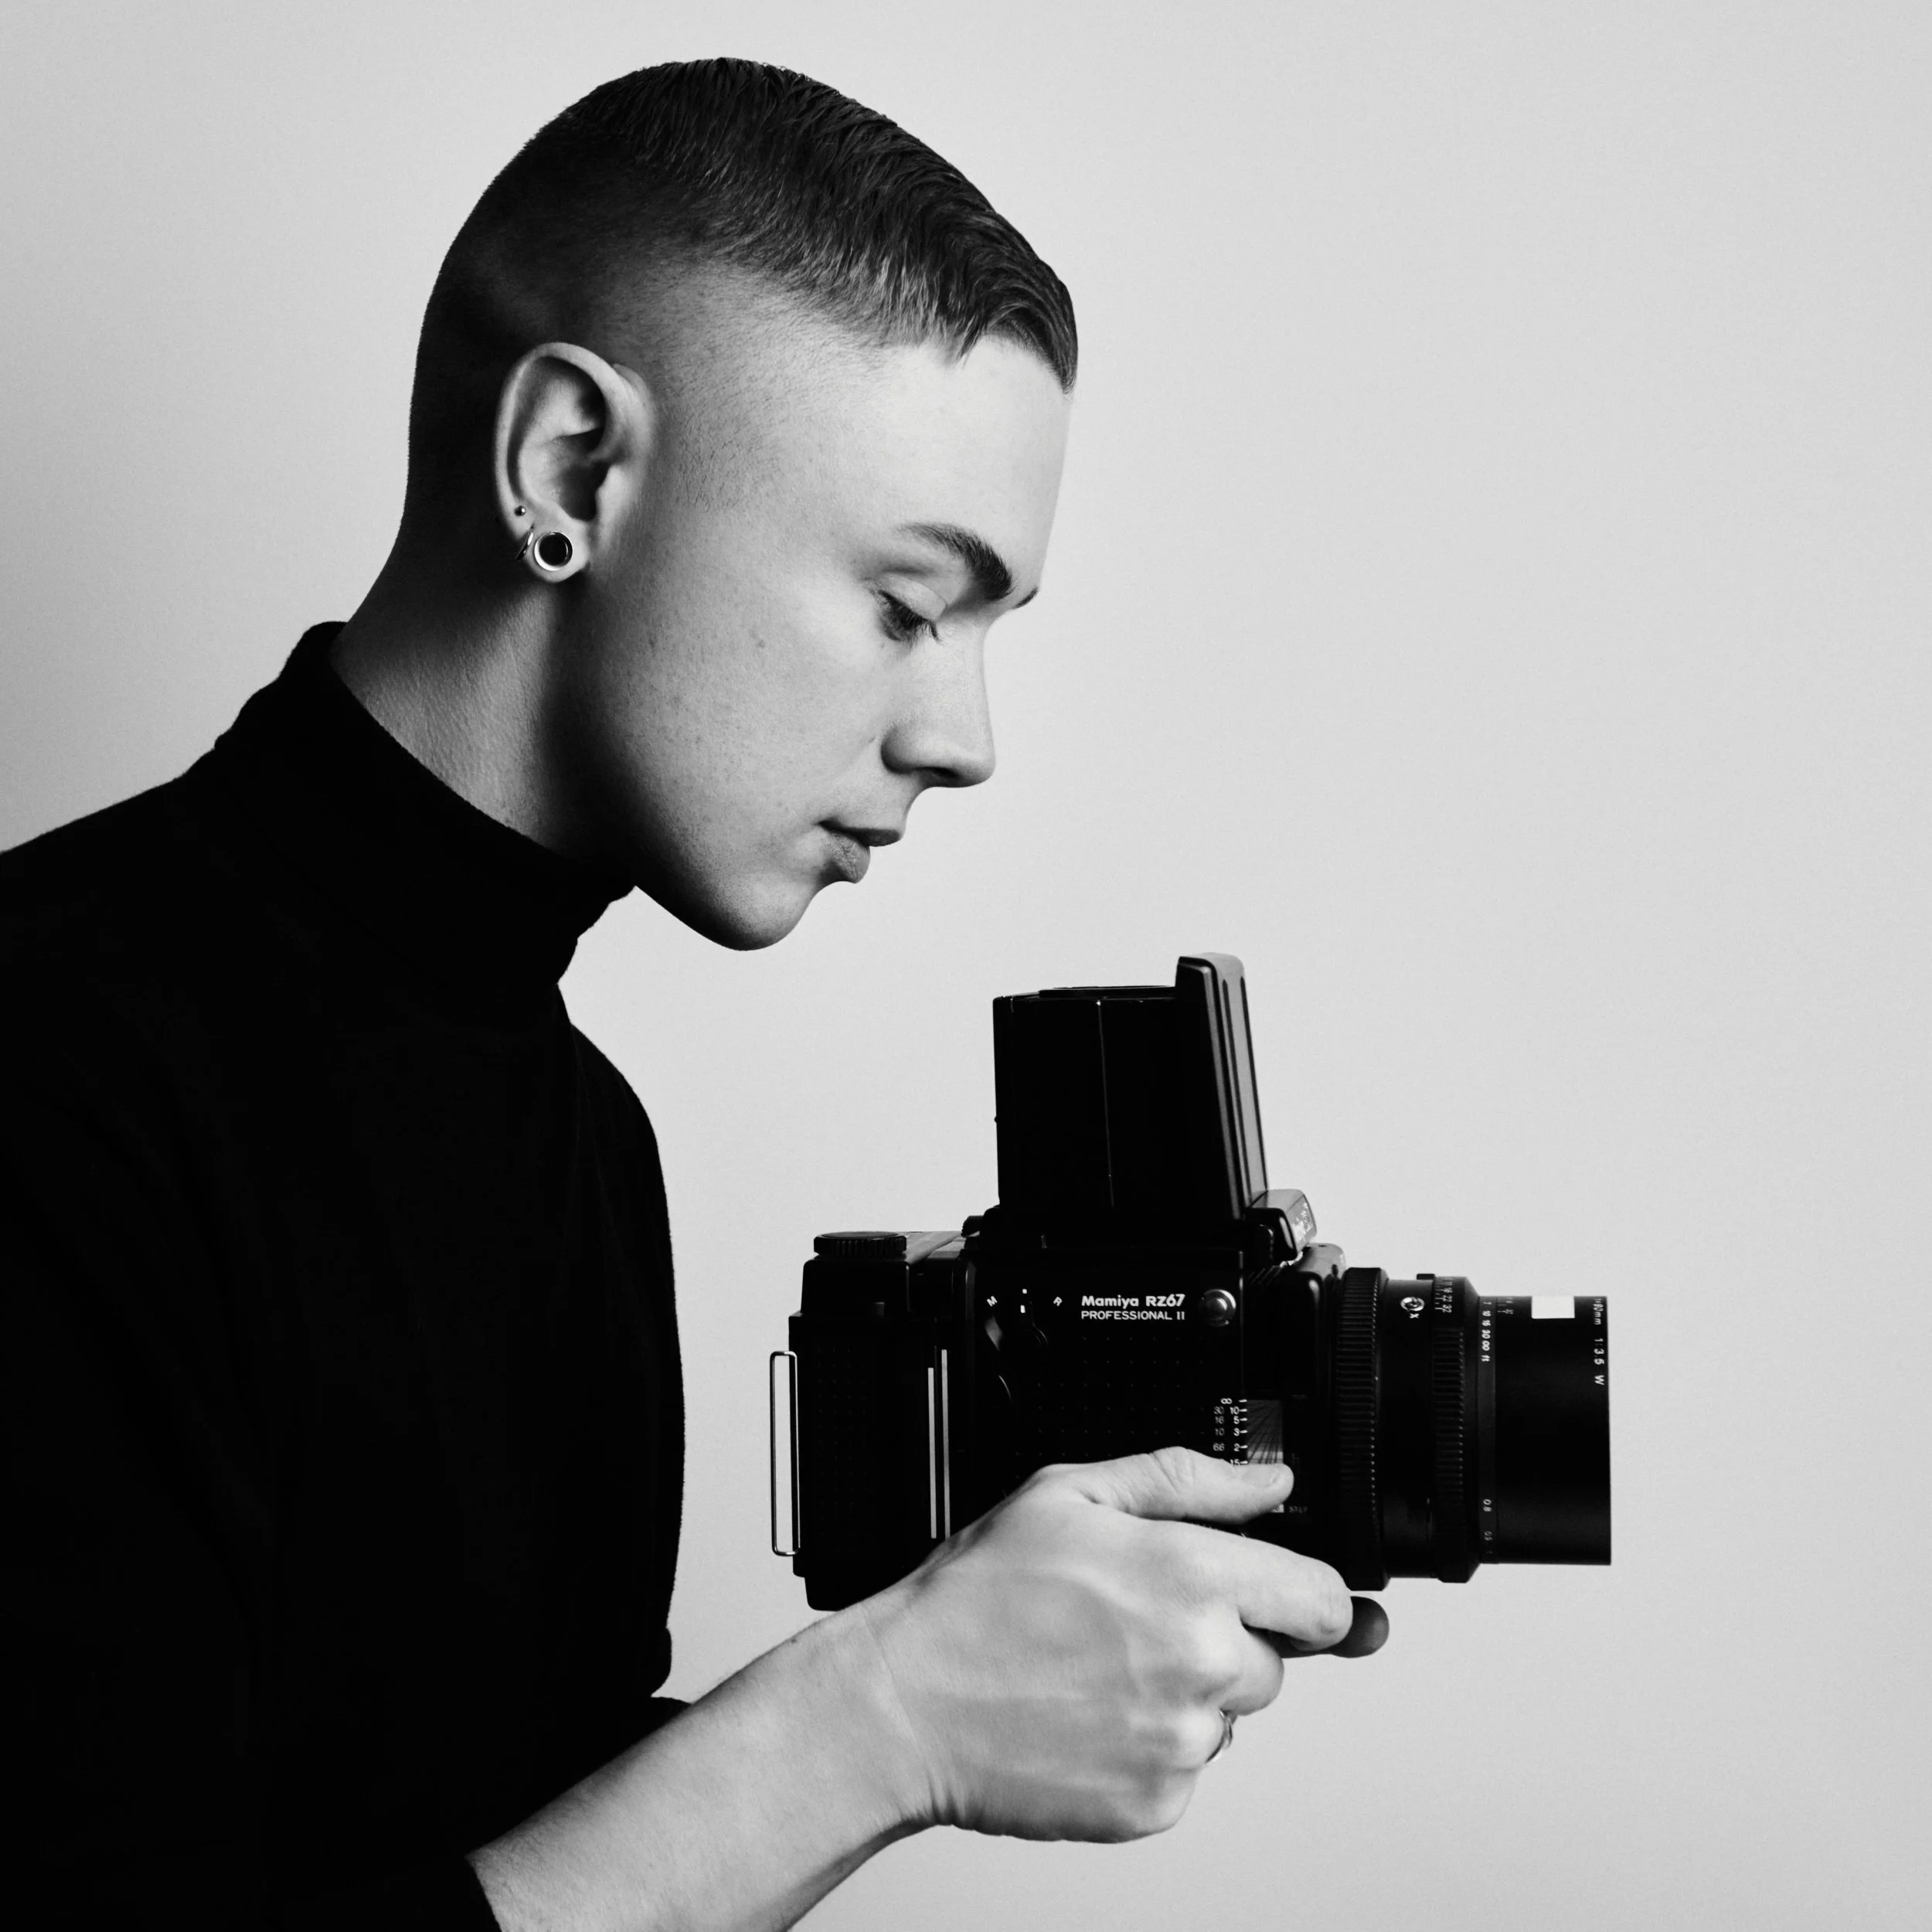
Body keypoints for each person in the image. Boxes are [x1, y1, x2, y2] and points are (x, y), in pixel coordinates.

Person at [5, 59, 1383, 1931]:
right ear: (569, 469)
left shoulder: (582, 1137)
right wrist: (873, 1720)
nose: (962, 735)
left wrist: (966, 1670)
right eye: (908, 602)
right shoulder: (50, 1070)